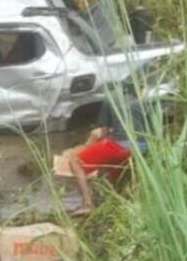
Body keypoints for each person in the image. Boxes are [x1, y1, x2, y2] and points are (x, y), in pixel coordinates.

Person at [64, 83, 153, 215]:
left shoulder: (111, 97)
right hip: (143, 146)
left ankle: (88, 204)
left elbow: (102, 131)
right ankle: (118, 201)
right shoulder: (144, 101)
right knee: (113, 167)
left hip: (121, 144)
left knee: (75, 162)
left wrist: (87, 146)